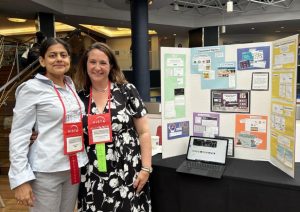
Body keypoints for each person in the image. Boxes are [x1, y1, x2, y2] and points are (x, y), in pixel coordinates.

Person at [9, 37, 88, 212]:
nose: (59, 59)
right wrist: (21, 179)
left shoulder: (70, 86)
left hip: (72, 165)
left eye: (63, 55)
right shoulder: (31, 88)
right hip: (46, 170)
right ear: (42, 60)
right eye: (52, 55)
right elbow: (19, 134)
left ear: (69, 59)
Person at [74, 42, 152, 211]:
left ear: (111, 66)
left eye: (103, 62)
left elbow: (144, 132)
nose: (97, 67)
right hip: (92, 170)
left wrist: (146, 168)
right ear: (85, 65)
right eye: (92, 62)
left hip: (127, 167)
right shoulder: (79, 97)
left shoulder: (126, 91)